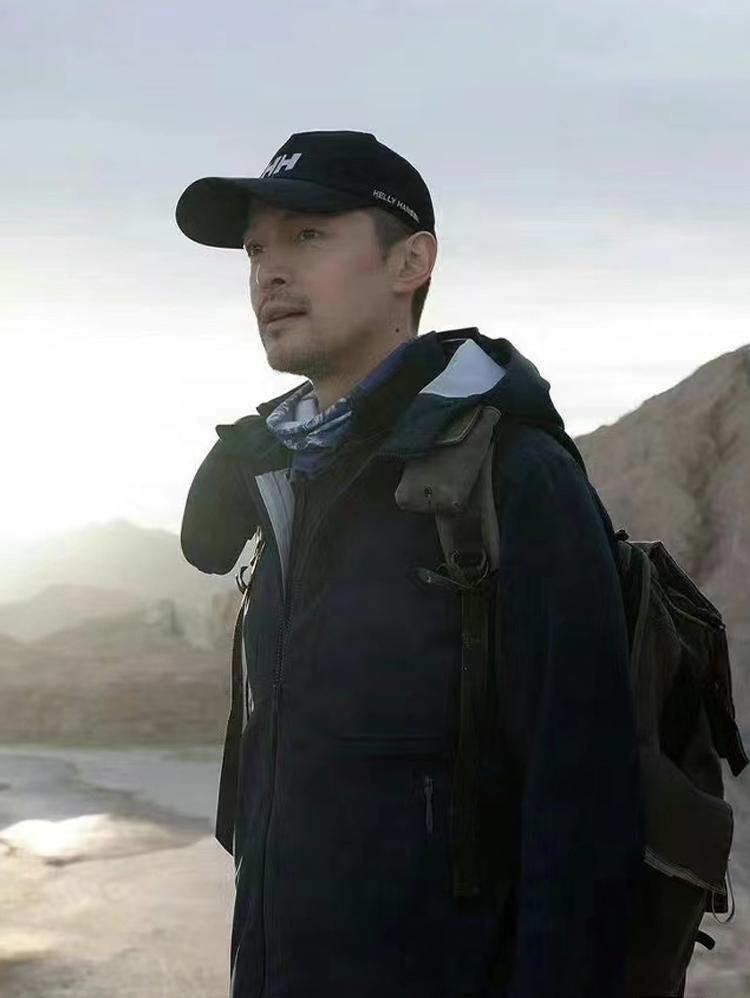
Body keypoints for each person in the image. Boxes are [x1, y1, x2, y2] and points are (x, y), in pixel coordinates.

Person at [176, 129, 645, 998]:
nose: (269, 273)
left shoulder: (514, 478)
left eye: (308, 236)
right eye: (255, 250)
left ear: (410, 263)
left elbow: (587, 819)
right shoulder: (283, 479)